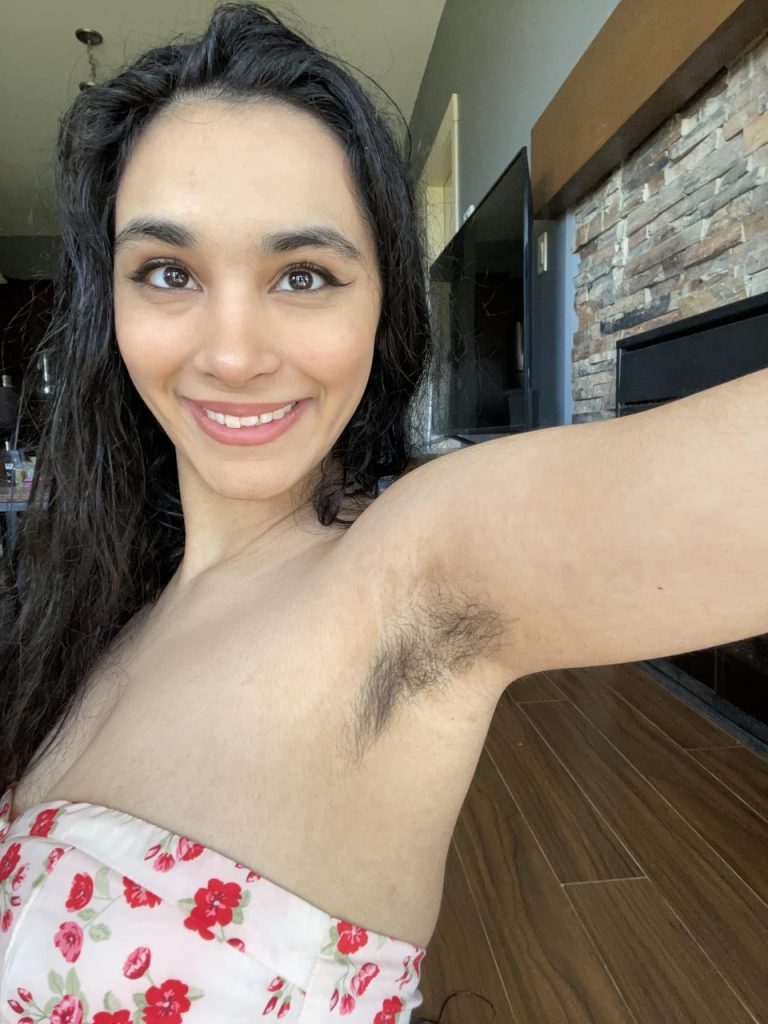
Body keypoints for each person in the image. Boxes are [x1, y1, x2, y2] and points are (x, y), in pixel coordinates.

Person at [3, 1, 768, 1020]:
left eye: (303, 274)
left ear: (382, 304)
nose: (231, 353)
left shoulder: (413, 568)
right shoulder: (99, 602)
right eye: (169, 272)